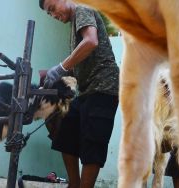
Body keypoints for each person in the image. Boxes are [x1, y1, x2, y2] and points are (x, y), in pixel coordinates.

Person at [39, 0, 119, 187]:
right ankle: (74, 185)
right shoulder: (74, 25)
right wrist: (56, 74)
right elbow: (80, 63)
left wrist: (60, 67)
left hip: (104, 87)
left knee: (93, 142)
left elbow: (91, 41)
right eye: (49, 14)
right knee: (66, 134)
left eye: (53, 9)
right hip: (86, 91)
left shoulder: (81, 8)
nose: (54, 15)